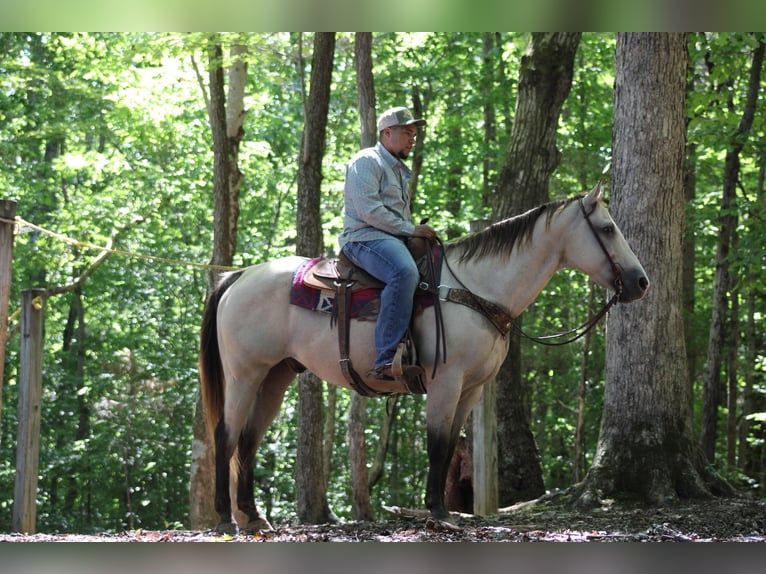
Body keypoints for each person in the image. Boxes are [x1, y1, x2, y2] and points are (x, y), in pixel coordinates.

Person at [338, 106, 437, 380]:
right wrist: (411, 229)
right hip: (364, 238)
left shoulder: (397, 169)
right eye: (407, 132)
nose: (412, 139)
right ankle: (385, 360)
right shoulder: (367, 161)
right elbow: (370, 210)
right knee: (404, 271)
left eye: (414, 134)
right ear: (387, 132)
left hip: (390, 239)